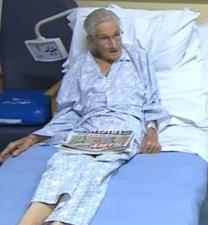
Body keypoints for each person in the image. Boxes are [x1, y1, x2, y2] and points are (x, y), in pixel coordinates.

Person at [0, 8, 168, 225]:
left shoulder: (138, 58)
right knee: (59, 166)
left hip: (125, 126)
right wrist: (34, 137)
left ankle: (61, 222)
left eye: (117, 35)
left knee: (95, 172)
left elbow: (152, 100)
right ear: (91, 41)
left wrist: (152, 132)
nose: (114, 44)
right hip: (86, 128)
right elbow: (69, 111)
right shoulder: (79, 66)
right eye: (105, 38)